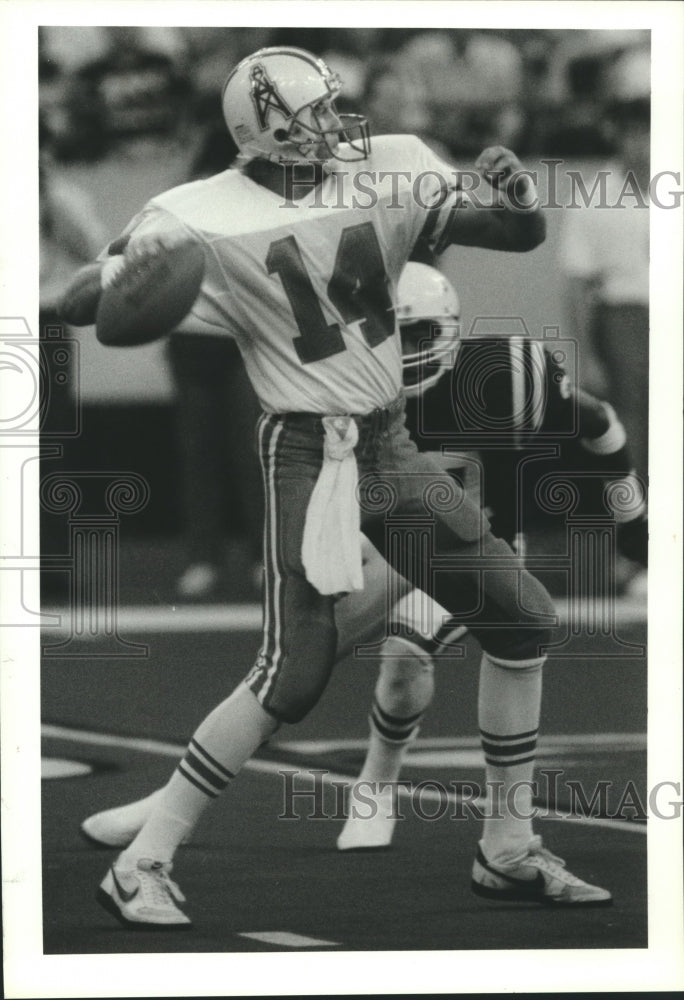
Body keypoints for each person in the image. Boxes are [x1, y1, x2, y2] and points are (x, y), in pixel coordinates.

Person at [60, 46, 610, 928]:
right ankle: (144, 860)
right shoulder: (198, 212)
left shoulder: (389, 164)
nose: (334, 123)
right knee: (296, 672)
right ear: (263, 130)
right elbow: (91, 299)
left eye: (331, 106)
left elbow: (516, 235)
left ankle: (506, 849)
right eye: (312, 112)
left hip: (390, 437)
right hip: (308, 452)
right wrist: (105, 288)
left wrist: (516, 195)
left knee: (521, 617)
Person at [81, 262, 646, 855]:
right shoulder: (351, 391)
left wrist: (636, 528)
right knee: (294, 665)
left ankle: (376, 784)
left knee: (404, 659)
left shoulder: (501, 375)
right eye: (385, 334)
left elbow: (602, 426)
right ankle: (167, 802)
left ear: (449, 331)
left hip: (476, 544)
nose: (400, 350)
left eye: (415, 334)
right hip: (390, 541)